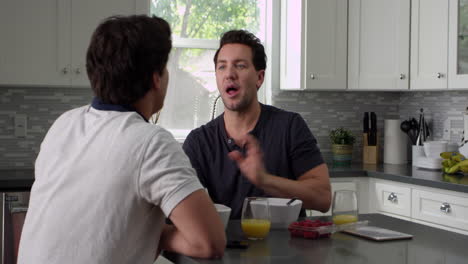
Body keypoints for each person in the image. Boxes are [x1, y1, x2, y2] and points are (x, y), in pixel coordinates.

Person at [18, 15, 225, 264]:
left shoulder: (64, 124)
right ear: (155, 79)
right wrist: (155, 235)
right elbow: (209, 242)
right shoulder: (150, 142)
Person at [183, 30, 331, 219]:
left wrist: (265, 180)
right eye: (222, 67)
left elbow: (323, 199)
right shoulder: (199, 142)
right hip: (230, 247)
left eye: (240, 66)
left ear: (259, 78)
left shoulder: (290, 126)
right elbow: (182, 204)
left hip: (290, 247)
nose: (229, 74)